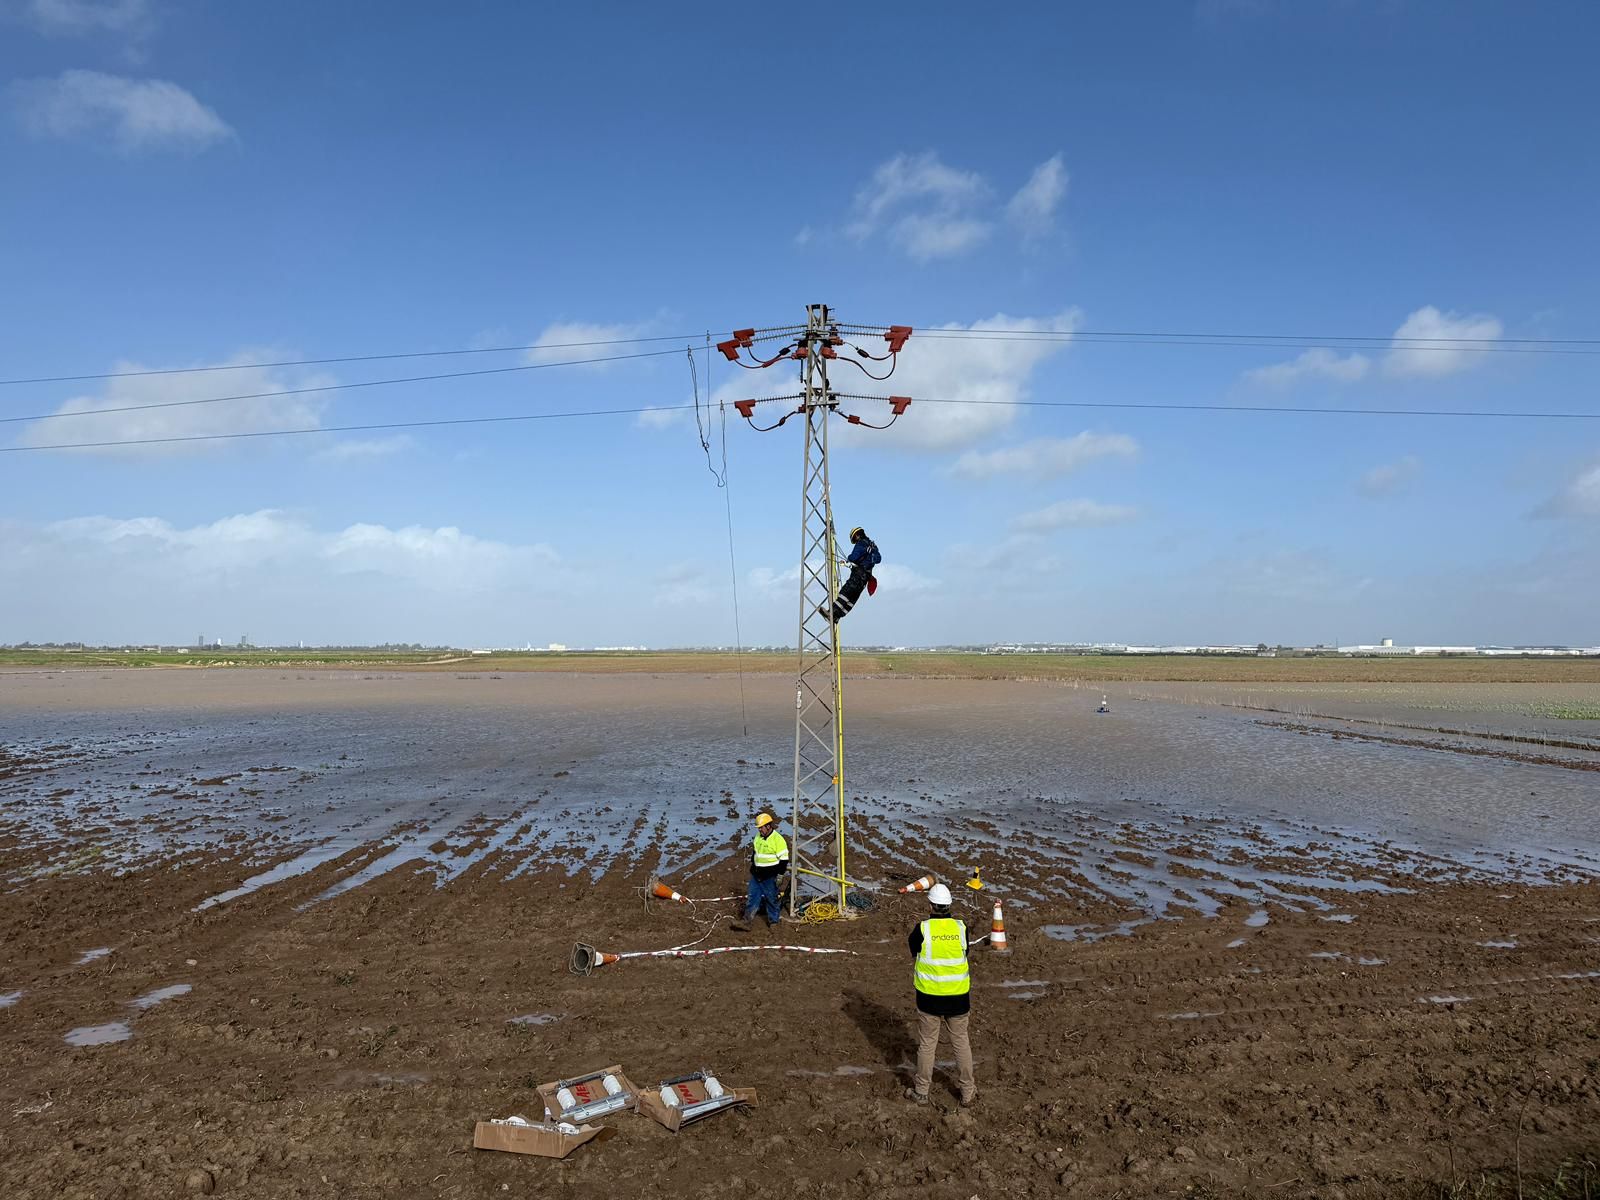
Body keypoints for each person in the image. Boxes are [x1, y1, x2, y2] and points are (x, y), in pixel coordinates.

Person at [906, 883, 977, 1106]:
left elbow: (913, 950)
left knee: (927, 1044)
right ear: (949, 905)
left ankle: (922, 1091)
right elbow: (965, 952)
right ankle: (968, 1092)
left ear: (930, 905)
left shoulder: (923, 929)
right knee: (961, 1043)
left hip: (929, 998)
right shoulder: (960, 928)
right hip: (958, 997)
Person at [730, 811, 788, 930]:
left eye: (761, 828)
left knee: (771, 899)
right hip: (757, 875)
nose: (759, 830)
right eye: (759, 828)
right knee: (752, 898)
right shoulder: (758, 837)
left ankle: (773, 922)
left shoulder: (778, 839)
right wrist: (753, 866)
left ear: (768, 826)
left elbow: (784, 860)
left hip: (770, 876)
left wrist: (780, 876)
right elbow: (756, 853)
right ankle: (746, 922)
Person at [825, 526, 881, 622]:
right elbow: (878, 559)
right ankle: (837, 617)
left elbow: (853, 557)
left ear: (857, 535)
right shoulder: (873, 547)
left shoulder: (861, 544)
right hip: (864, 579)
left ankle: (832, 613)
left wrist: (849, 558)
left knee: (846, 592)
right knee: (852, 599)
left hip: (858, 575)